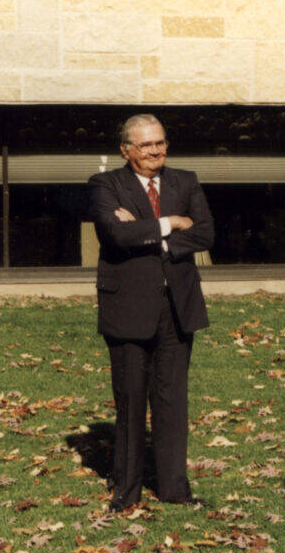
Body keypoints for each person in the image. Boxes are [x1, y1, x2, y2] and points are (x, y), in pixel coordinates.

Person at [89, 114, 214, 512]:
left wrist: (148, 231)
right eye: (146, 145)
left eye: (160, 143)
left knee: (172, 400)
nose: (156, 151)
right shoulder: (106, 185)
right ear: (126, 150)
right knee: (130, 401)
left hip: (177, 307)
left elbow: (206, 233)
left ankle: (175, 489)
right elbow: (113, 233)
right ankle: (127, 492)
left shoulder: (186, 181)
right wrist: (170, 224)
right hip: (127, 305)